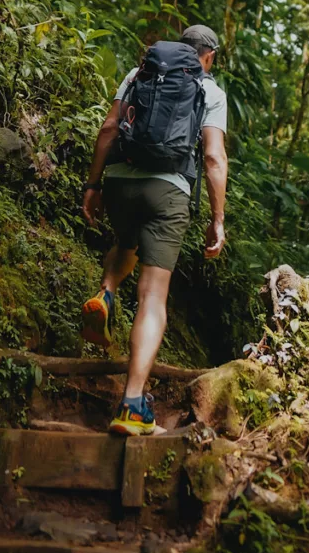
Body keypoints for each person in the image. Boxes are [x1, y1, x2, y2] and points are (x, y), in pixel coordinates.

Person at [80, 24, 228, 435]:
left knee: (125, 242)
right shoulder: (210, 91)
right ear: (209, 56)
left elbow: (109, 129)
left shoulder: (138, 73)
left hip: (120, 184)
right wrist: (217, 218)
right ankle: (131, 405)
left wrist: (93, 185)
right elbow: (213, 158)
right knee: (152, 296)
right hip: (169, 192)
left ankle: (106, 293)